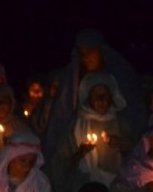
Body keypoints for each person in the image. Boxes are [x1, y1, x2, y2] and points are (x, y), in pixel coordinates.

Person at [42, 29, 147, 162]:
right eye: (82, 53)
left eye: (90, 51)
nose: (85, 58)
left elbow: (134, 112)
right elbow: (62, 113)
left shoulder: (121, 75)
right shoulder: (74, 76)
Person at [50, 72, 133, 192]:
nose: (101, 100)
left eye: (105, 95)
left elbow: (138, 157)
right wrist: (79, 154)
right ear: (88, 97)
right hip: (82, 191)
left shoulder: (121, 123)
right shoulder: (77, 125)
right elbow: (61, 162)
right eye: (97, 95)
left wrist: (123, 144)